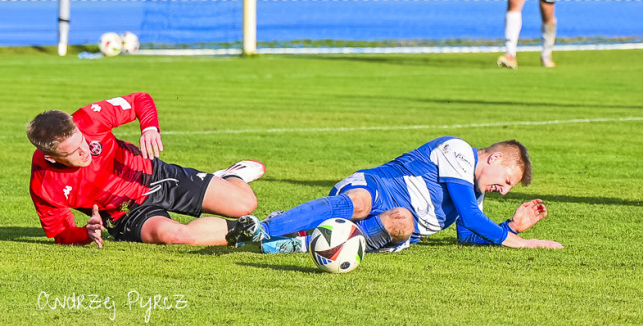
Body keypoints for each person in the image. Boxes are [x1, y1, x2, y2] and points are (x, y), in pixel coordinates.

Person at [227, 137, 563, 252]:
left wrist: (513, 227)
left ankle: (305, 241)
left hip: (392, 221)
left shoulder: (474, 197)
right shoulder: (458, 151)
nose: (503, 190)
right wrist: (521, 242)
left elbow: (468, 236)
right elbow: (474, 220)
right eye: (505, 180)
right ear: (494, 158)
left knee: (402, 222)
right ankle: (264, 229)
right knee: (360, 203)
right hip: (376, 188)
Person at [27, 92, 265, 247]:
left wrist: (149, 128)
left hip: (151, 174)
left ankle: (233, 175)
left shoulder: (88, 119)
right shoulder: (44, 184)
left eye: (82, 140)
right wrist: (85, 233)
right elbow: (61, 232)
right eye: (73, 152)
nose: (85, 150)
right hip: (123, 213)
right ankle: (261, 232)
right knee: (177, 236)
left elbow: (139, 99)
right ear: (51, 157)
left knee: (244, 205)